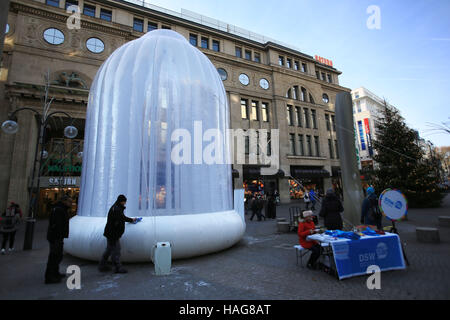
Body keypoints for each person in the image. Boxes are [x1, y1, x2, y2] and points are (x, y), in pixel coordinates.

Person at [99, 195, 136, 273]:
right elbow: (122, 218)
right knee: (116, 251)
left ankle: (102, 265)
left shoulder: (115, 207)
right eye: (124, 201)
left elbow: (121, 218)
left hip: (110, 233)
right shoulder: (117, 209)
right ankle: (117, 267)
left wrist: (130, 220)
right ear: (121, 201)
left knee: (109, 250)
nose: (125, 203)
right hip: (113, 234)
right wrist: (131, 220)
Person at [45, 195, 72, 284]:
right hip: (56, 237)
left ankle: (55, 273)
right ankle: (50, 277)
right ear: (64, 201)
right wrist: (58, 237)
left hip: (57, 237)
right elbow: (56, 225)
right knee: (54, 256)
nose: (70, 204)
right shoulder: (59, 210)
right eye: (69, 202)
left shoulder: (60, 209)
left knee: (57, 256)